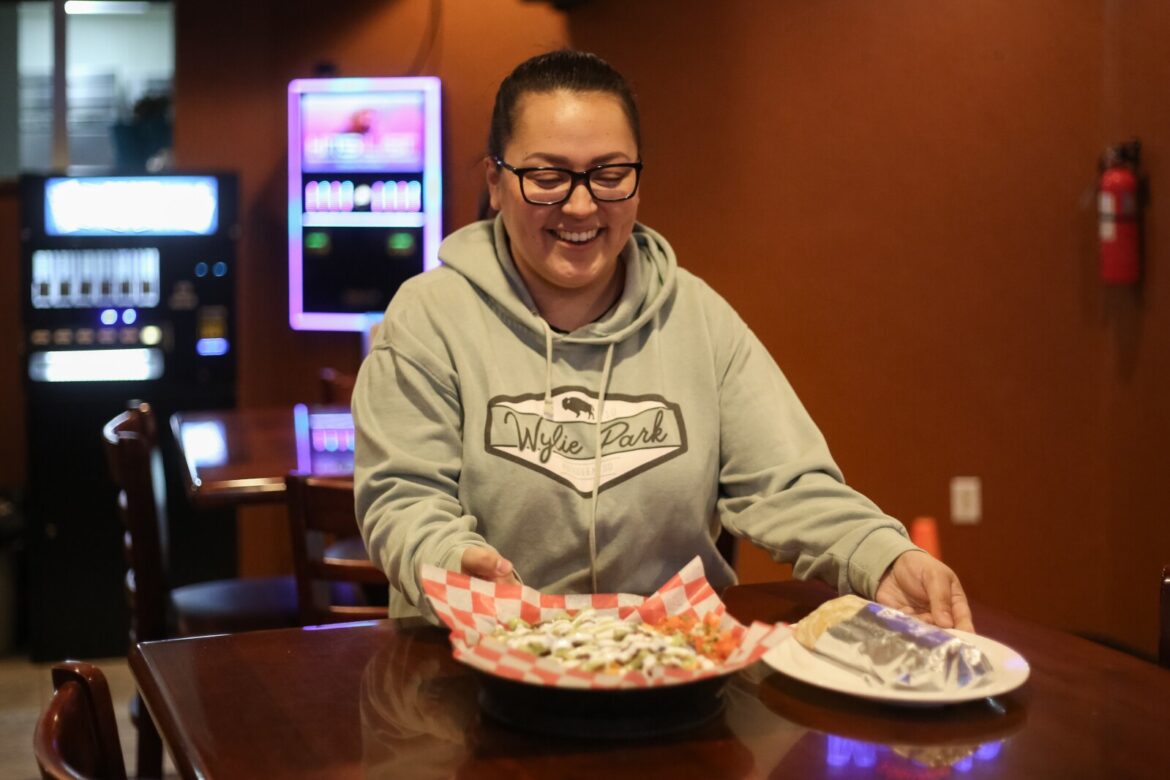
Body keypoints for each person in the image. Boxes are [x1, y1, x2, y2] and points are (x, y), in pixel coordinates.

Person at [352, 50, 973, 632]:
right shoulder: (430, 315)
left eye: (610, 174)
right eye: (546, 176)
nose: (579, 204)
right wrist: (451, 561)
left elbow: (787, 483)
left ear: (637, 182)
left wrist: (884, 556)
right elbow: (403, 494)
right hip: (473, 663)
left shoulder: (700, 319)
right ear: (495, 182)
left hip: (666, 664)